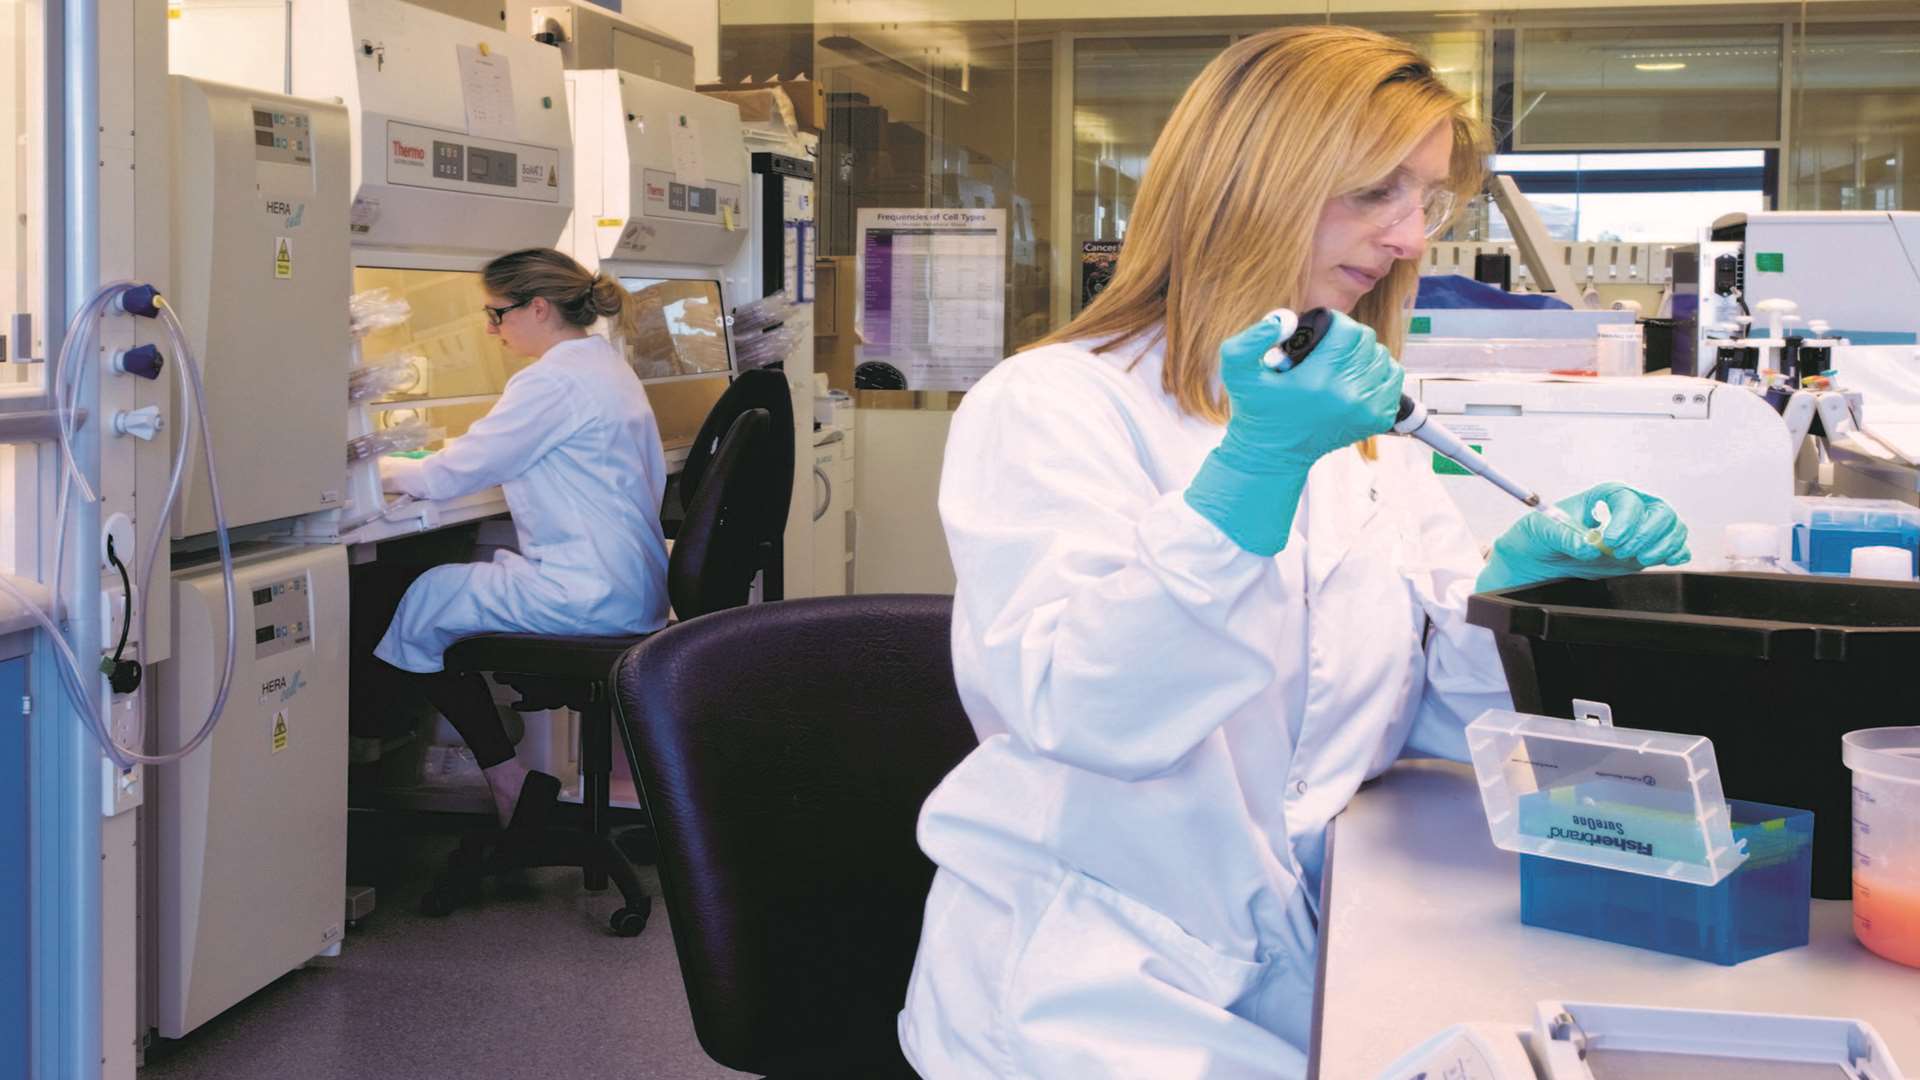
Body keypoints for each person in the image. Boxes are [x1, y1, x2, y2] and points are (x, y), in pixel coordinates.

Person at [897, 26, 1690, 1078]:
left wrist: (1511, 594)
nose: (1411, 238)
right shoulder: (1053, 405)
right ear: (1248, 183)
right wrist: (1248, 480)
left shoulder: (1372, 432)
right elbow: (1087, 708)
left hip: (1308, 954)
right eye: (1375, 192)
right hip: (1088, 998)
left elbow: (1408, 719)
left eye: (1428, 200)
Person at [375, 248, 671, 830]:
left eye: (497, 313)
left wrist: (365, 469)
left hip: (586, 593)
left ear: (538, 308)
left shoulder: (552, 381)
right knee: (438, 593)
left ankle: (502, 778)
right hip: (628, 586)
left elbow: (447, 474)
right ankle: (476, 754)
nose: (491, 330)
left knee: (420, 596)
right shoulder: (606, 366)